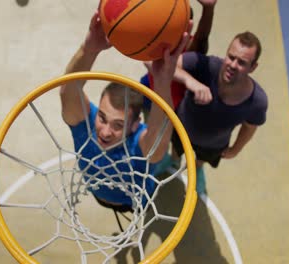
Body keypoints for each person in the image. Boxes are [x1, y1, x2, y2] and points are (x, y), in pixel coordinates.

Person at [59, 12, 191, 209]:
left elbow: (161, 133)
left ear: (135, 124)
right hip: (97, 192)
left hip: (131, 202)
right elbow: (68, 90)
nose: (104, 132)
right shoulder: (85, 126)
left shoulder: (140, 147)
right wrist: (89, 49)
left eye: (118, 125)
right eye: (102, 118)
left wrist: (163, 81)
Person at [171, 31, 268, 194]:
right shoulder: (207, 66)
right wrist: (191, 82)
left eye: (242, 62)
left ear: (253, 67)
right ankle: (173, 161)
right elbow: (166, 64)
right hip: (181, 128)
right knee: (176, 148)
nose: (232, 65)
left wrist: (236, 149)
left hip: (213, 144)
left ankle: (197, 169)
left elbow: (249, 127)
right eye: (231, 57)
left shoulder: (257, 101)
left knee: (201, 159)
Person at [140, 0, 217, 173]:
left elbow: (202, 38)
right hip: (151, 96)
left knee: (175, 138)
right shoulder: (155, 39)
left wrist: (208, 9)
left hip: (175, 107)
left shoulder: (189, 46)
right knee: (152, 132)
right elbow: (149, 62)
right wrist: (188, 80)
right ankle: (160, 157)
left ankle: (174, 160)